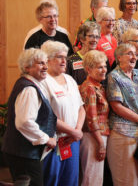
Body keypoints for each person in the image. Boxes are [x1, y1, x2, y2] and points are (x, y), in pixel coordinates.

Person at [1, 48, 57, 186]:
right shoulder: (29, 89)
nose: (45, 67)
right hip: (24, 154)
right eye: (40, 63)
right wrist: (46, 139)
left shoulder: (28, 84)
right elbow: (24, 122)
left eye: (45, 63)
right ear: (27, 67)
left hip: (23, 153)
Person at [106, 43, 138, 186]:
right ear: (119, 57)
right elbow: (116, 106)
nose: (134, 57)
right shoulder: (114, 77)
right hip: (123, 134)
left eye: (135, 54)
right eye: (129, 53)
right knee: (126, 180)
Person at [40, 41, 85, 186]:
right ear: (47, 59)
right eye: (59, 57)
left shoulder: (70, 79)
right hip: (53, 143)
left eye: (65, 57)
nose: (64, 61)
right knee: (52, 181)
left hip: (72, 141)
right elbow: (46, 116)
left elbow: (81, 108)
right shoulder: (42, 82)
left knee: (71, 181)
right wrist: (74, 132)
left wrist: (77, 130)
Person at [79, 50, 110, 186]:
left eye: (104, 66)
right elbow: (91, 118)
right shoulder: (90, 88)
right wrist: (101, 144)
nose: (104, 70)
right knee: (92, 179)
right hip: (93, 137)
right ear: (88, 69)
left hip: (98, 136)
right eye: (99, 67)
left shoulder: (98, 86)